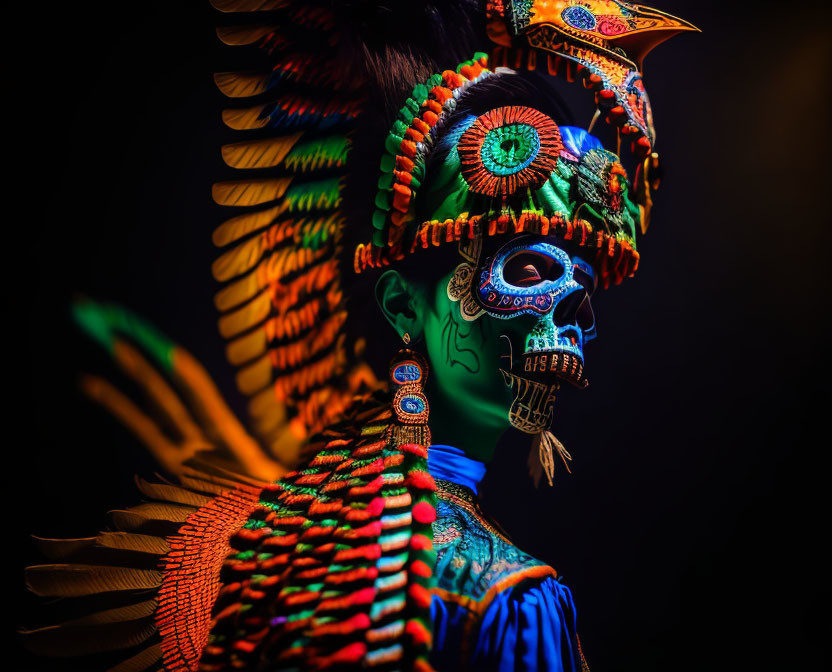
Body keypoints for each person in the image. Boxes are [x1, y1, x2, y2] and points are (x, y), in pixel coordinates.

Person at [22, 2, 696, 670]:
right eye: (526, 268)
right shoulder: (512, 603)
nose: (575, 314)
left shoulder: (270, 545)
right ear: (404, 305)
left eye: (583, 284)